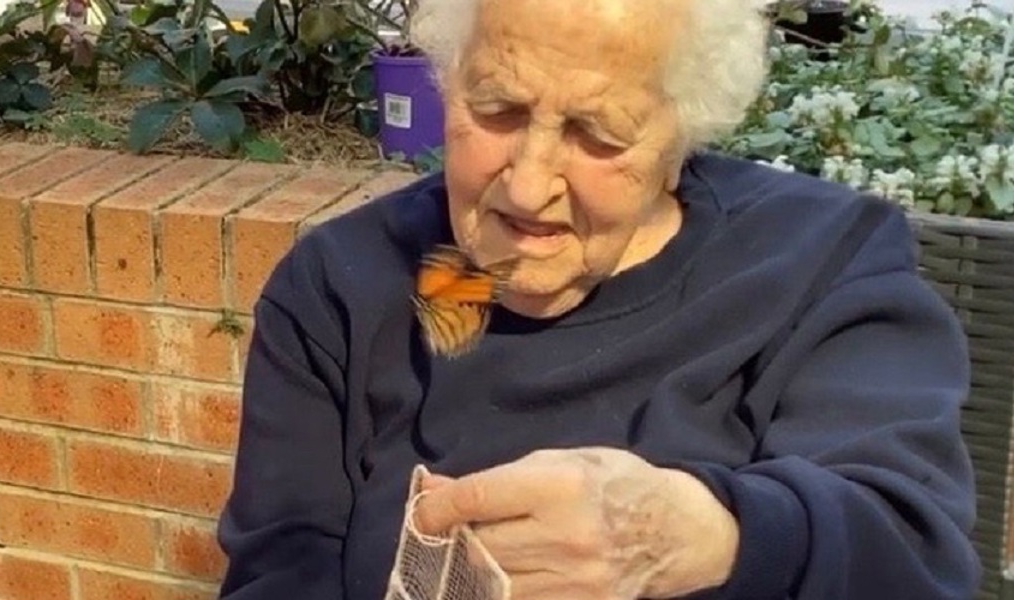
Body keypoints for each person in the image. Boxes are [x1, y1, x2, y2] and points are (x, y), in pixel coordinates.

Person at [216, 0, 980, 598]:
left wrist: (707, 536)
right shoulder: (347, 285)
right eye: (497, 109)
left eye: (598, 134)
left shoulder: (815, 265)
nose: (527, 183)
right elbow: (284, 567)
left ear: (681, 138)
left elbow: (912, 556)